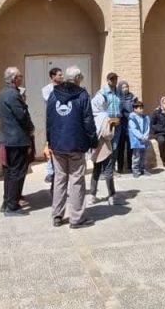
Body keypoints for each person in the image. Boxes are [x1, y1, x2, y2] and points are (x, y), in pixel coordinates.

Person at [47, 66, 98, 228]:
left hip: (57, 144)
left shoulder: (53, 94)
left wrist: (49, 141)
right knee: (76, 180)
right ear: (77, 78)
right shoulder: (82, 95)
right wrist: (93, 141)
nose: (81, 79)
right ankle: (77, 218)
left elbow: (49, 119)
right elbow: (88, 120)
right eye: (81, 77)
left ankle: (57, 215)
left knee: (59, 179)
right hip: (76, 143)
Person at [0, 66, 34, 216]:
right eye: (20, 76)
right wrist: (31, 128)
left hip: (8, 139)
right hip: (16, 140)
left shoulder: (3, 93)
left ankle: (7, 202)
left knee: (9, 173)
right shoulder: (12, 94)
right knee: (17, 173)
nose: (21, 78)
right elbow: (22, 115)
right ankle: (12, 206)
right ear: (14, 79)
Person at [87, 92, 118, 205]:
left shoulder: (90, 117)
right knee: (108, 172)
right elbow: (107, 134)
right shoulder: (105, 117)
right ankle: (111, 196)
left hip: (95, 149)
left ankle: (92, 195)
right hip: (105, 149)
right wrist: (112, 127)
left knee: (96, 172)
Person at [41, 68, 63, 185]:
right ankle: (50, 172)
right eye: (59, 75)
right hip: (52, 121)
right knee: (51, 146)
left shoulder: (65, 88)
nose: (62, 77)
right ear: (53, 76)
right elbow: (52, 101)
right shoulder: (46, 89)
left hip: (63, 120)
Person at [100, 73, 125, 174]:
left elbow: (122, 105)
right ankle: (104, 169)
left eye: (115, 79)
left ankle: (112, 168)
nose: (114, 81)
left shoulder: (119, 93)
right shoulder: (103, 92)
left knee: (115, 146)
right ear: (107, 80)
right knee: (106, 146)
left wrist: (119, 115)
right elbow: (99, 106)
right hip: (107, 123)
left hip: (117, 122)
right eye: (111, 79)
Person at [117, 80, 137, 173]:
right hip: (121, 126)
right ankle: (120, 167)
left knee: (130, 147)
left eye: (127, 87)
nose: (125, 89)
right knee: (120, 147)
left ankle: (129, 166)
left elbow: (136, 109)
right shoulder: (117, 97)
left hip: (130, 126)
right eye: (123, 87)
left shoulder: (132, 97)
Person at [128, 99, 150, 177]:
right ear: (135, 109)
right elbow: (134, 130)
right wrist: (141, 136)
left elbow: (148, 127)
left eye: (142, 108)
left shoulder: (146, 118)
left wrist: (146, 135)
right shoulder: (132, 119)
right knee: (136, 156)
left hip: (144, 140)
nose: (141, 109)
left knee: (144, 155)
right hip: (136, 140)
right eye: (139, 108)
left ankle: (143, 169)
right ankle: (135, 170)